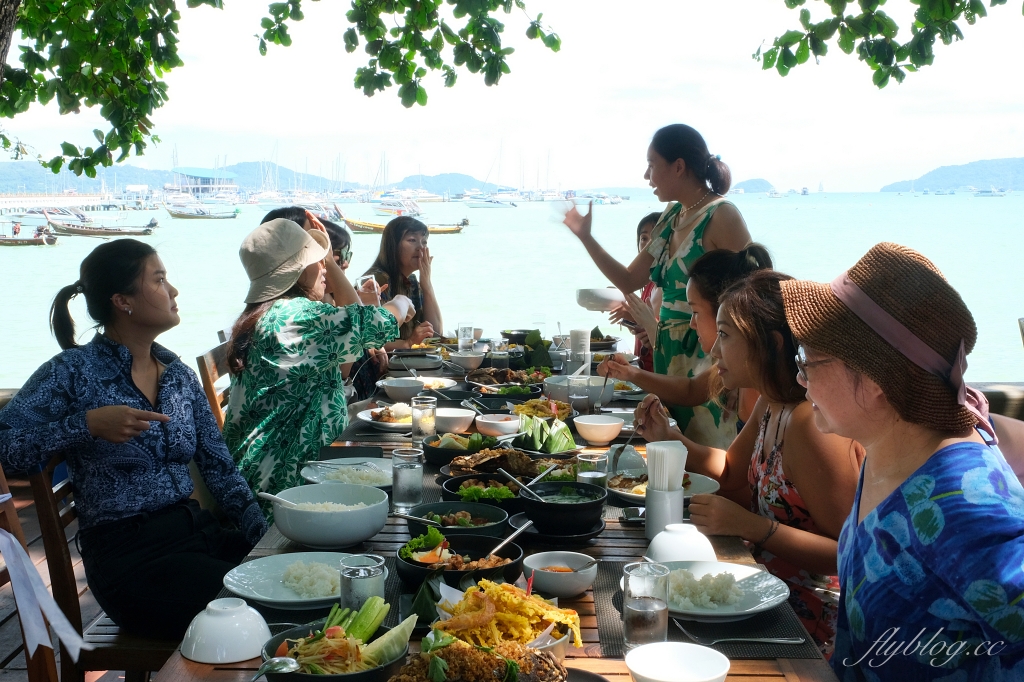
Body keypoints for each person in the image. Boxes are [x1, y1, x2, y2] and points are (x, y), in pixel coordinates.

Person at [778, 243, 1024, 678]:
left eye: (810, 361)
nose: (800, 377)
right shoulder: (884, 451)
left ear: (874, 379)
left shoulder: (964, 504)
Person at [0, 239, 267, 640]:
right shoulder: (71, 372)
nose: (173, 291)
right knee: (258, 609)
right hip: (129, 561)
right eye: (159, 280)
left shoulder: (177, 374)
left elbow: (220, 469)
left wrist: (265, 538)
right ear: (122, 301)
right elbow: (7, 448)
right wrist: (85, 424)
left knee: (295, 579)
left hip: (196, 534)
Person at [636, 270, 864, 654]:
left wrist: (752, 526)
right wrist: (669, 438)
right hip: (759, 590)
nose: (713, 351)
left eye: (725, 335)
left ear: (769, 343)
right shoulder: (772, 401)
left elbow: (849, 554)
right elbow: (729, 469)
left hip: (808, 622)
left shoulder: (809, 423)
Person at [562, 124, 752, 444]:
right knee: (671, 458)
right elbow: (628, 279)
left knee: (708, 461)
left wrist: (742, 374)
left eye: (652, 165)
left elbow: (754, 296)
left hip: (710, 365)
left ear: (678, 166)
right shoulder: (672, 216)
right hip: (668, 359)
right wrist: (586, 237)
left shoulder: (722, 216)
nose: (646, 176)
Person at [223, 219, 414, 520]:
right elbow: (376, 323)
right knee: (412, 479)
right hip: (281, 486)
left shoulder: (276, 312)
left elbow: (355, 325)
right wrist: (402, 301)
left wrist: (325, 260)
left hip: (291, 469)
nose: (326, 268)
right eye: (319, 261)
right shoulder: (296, 318)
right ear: (298, 270)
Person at [600, 245, 772, 445]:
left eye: (695, 312)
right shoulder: (738, 364)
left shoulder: (755, 385)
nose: (691, 323)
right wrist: (630, 373)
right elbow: (691, 390)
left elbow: (735, 471)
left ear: (724, 312)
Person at [608, 212, 661, 372]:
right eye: (644, 238)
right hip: (644, 367)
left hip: (658, 371)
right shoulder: (649, 282)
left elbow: (662, 330)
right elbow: (648, 325)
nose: (647, 245)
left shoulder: (665, 284)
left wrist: (631, 313)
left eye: (654, 239)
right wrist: (632, 320)